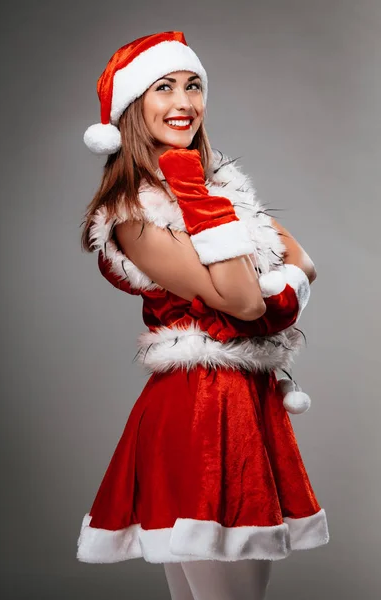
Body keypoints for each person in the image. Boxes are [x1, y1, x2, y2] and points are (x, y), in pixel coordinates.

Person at [76, 30, 329, 600]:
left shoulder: (224, 188)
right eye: (163, 87)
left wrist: (278, 288)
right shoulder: (132, 213)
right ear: (132, 108)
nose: (184, 102)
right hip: (202, 412)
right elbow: (243, 300)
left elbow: (303, 262)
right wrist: (203, 202)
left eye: (193, 85)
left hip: (240, 401)